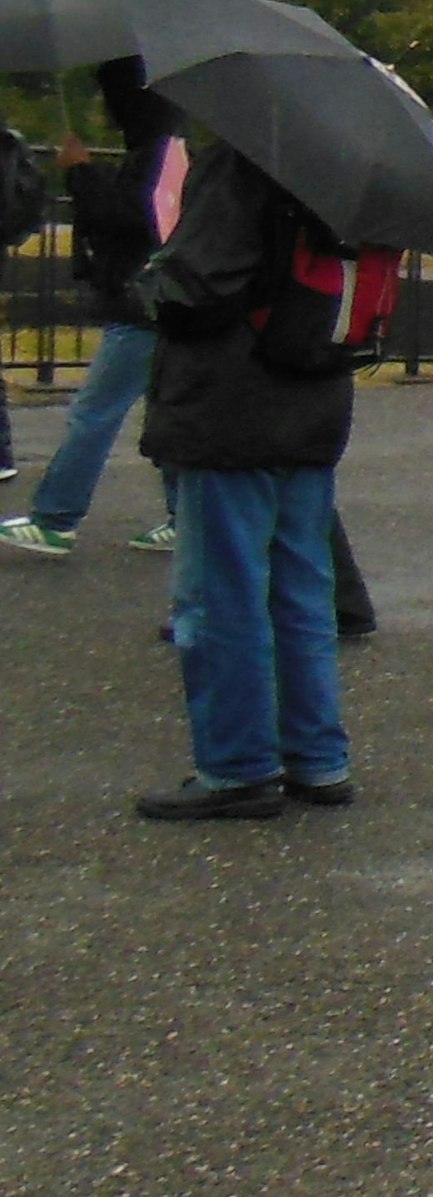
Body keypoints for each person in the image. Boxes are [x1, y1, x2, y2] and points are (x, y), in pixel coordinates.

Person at [130, 134, 357, 821]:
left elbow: (202, 284)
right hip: (315, 392)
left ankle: (237, 765)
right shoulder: (346, 162)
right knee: (302, 587)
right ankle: (317, 757)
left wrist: (149, 280)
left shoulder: (239, 156)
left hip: (233, 400)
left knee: (221, 592)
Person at [1, 61, 185, 564]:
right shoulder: (169, 151)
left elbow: (127, 219)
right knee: (164, 415)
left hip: (141, 305)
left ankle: (55, 519)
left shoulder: (152, 156)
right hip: (164, 304)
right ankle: (185, 518)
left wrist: (82, 171)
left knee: (94, 413)